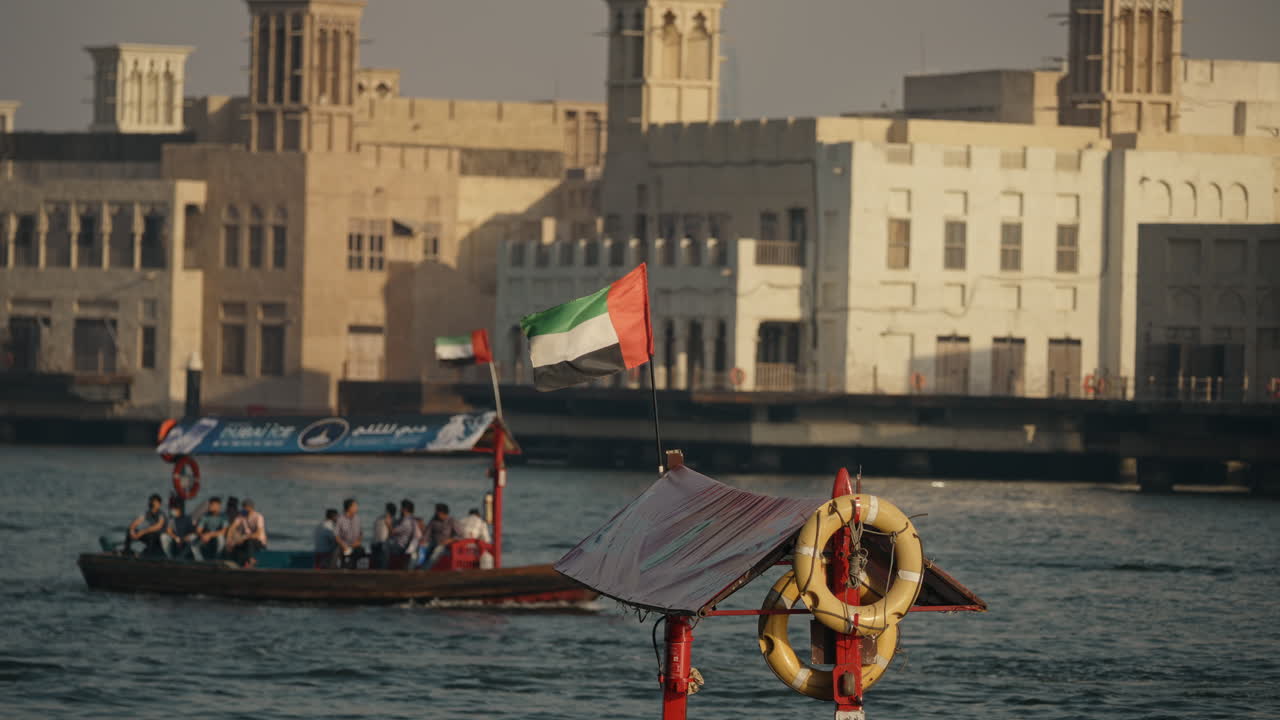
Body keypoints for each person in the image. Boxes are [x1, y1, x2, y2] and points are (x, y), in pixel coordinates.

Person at [227, 498, 267, 567]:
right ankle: (238, 563)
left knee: (249, 541)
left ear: (250, 507)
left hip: (258, 541)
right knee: (236, 545)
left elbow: (258, 534)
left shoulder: (258, 517)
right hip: (245, 540)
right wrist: (229, 540)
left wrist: (243, 538)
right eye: (243, 507)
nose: (243, 509)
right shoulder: (242, 516)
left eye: (245, 507)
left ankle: (251, 560)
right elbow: (232, 528)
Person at [419, 503, 459, 569]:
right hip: (433, 542)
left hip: (445, 546)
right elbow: (427, 533)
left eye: (437, 512)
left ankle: (426, 569)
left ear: (443, 513)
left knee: (436, 552)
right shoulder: (433, 520)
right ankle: (417, 566)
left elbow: (460, 536)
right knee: (421, 548)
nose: (436, 513)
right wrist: (423, 541)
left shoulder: (452, 521)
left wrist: (450, 540)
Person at [388, 499, 422, 569]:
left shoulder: (406, 521)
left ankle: (384, 567)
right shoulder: (413, 519)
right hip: (409, 545)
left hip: (402, 546)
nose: (400, 510)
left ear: (405, 510)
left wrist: (387, 523)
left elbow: (393, 532)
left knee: (384, 547)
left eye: (401, 508)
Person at [192, 496, 228, 561]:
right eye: (210, 504)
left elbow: (223, 532)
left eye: (212, 505)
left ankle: (217, 558)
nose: (210, 506)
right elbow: (198, 530)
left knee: (221, 538)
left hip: (216, 537)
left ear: (218, 506)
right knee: (193, 542)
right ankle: (200, 561)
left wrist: (210, 535)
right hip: (206, 537)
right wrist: (202, 536)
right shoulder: (205, 516)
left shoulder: (223, 516)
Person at [333, 498, 365, 569]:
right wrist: (343, 545)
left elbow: (361, 533)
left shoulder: (357, 518)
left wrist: (358, 541)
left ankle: (353, 568)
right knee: (337, 552)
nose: (357, 508)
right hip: (343, 545)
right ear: (349, 507)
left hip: (355, 545)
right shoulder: (340, 519)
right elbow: (336, 535)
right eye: (355, 506)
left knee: (361, 551)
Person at [160, 495, 196, 559]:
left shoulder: (188, 518)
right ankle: (169, 557)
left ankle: (191, 557)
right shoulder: (171, 519)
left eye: (175, 509)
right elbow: (169, 530)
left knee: (193, 537)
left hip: (185, 539)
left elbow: (193, 532)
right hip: (176, 539)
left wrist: (184, 539)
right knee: (164, 536)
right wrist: (175, 537)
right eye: (173, 509)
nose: (173, 511)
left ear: (180, 509)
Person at [372, 502, 395, 569]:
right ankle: (384, 569)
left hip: (374, 544)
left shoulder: (378, 518)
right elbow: (392, 534)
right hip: (382, 545)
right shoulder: (391, 520)